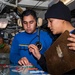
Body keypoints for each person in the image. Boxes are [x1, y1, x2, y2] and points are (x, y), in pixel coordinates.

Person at [28, 1, 75, 73]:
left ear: (62, 19)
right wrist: (39, 56)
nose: (48, 25)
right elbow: (52, 69)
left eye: (51, 21)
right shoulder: (56, 41)